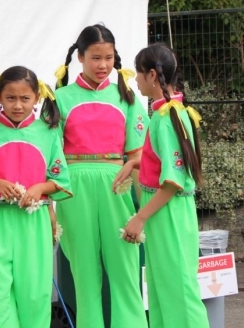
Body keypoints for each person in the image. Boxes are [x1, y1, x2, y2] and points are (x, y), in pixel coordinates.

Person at [0, 66, 72, 328]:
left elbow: (61, 180)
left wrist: (40, 188)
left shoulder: (48, 134)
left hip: (35, 223)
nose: (18, 105)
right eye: (10, 98)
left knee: (35, 293)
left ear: (37, 98)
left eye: (25, 98)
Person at [54, 24, 148, 328]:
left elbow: (138, 155)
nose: (103, 65)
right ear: (80, 57)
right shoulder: (60, 98)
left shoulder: (126, 97)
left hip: (117, 185)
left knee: (125, 269)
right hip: (73, 188)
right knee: (84, 273)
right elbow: (51, 154)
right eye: (95, 58)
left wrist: (144, 208)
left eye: (108, 58)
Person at [121, 43, 210, 328]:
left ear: (151, 75)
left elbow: (172, 182)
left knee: (179, 291)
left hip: (168, 211)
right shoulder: (167, 112)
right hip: (164, 210)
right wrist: (136, 163)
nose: (135, 80)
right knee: (162, 290)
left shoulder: (167, 118)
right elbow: (164, 161)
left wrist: (139, 217)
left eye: (137, 73)